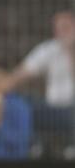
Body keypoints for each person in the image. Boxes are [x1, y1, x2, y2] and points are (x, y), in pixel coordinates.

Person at [5, 10, 75, 158]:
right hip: (53, 108)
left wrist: (70, 52)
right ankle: (37, 147)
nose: (61, 32)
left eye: (66, 27)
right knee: (26, 103)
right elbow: (24, 71)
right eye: (57, 29)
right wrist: (4, 85)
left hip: (73, 108)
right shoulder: (50, 48)